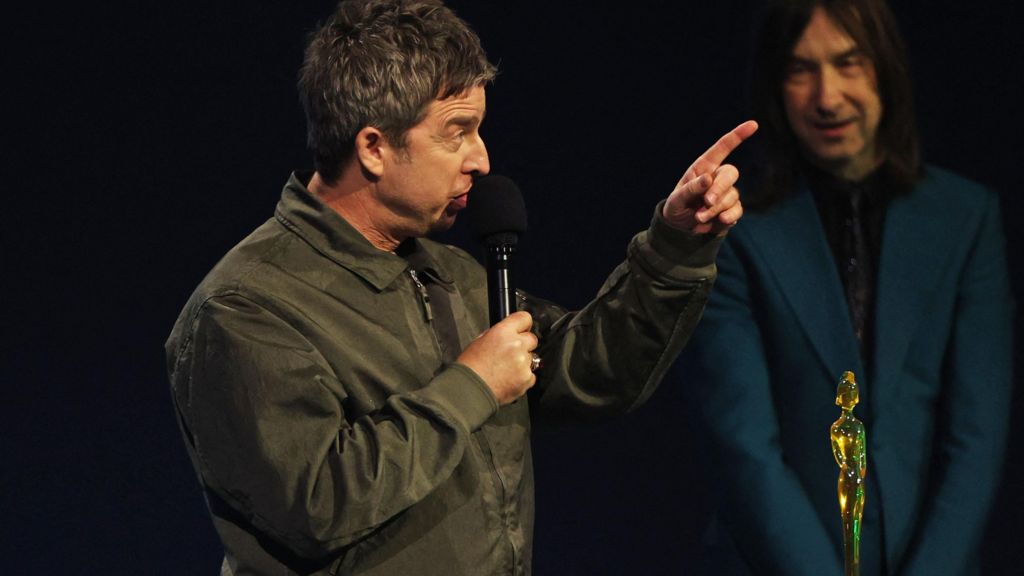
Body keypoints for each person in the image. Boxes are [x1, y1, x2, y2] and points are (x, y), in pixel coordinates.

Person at [165, 1, 756, 574]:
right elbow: (314, 505)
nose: (481, 158)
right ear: (373, 147)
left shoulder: (452, 275)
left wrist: (676, 243)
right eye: (457, 132)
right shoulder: (245, 307)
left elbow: (590, 372)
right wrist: (471, 385)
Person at [678, 1, 1014, 575]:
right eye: (800, 69)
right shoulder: (733, 228)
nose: (827, 97)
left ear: (885, 68)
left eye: (848, 63)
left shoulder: (966, 217)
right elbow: (744, 446)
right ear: (776, 85)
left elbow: (975, 440)